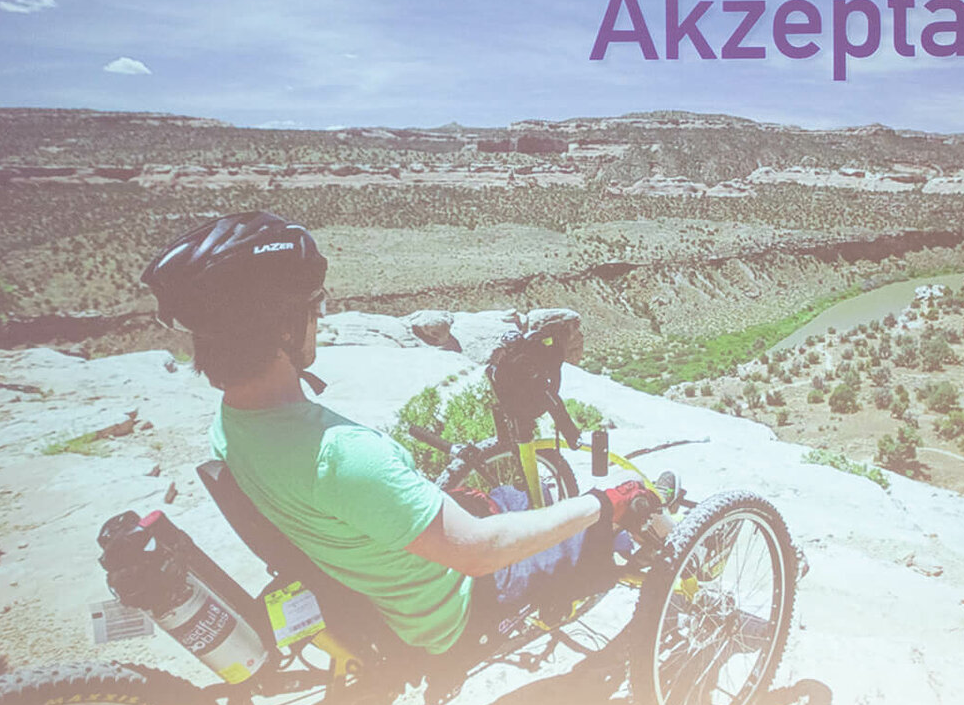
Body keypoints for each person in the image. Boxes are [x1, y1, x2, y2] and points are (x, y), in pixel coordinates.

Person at [140, 210, 667, 658]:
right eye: (314, 308)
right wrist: (604, 501)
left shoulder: (233, 425)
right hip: (452, 612)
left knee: (515, 499)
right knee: (614, 510)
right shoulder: (342, 455)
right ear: (282, 328)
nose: (318, 320)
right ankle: (672, 554)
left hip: (382, 586)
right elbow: (480, 552)